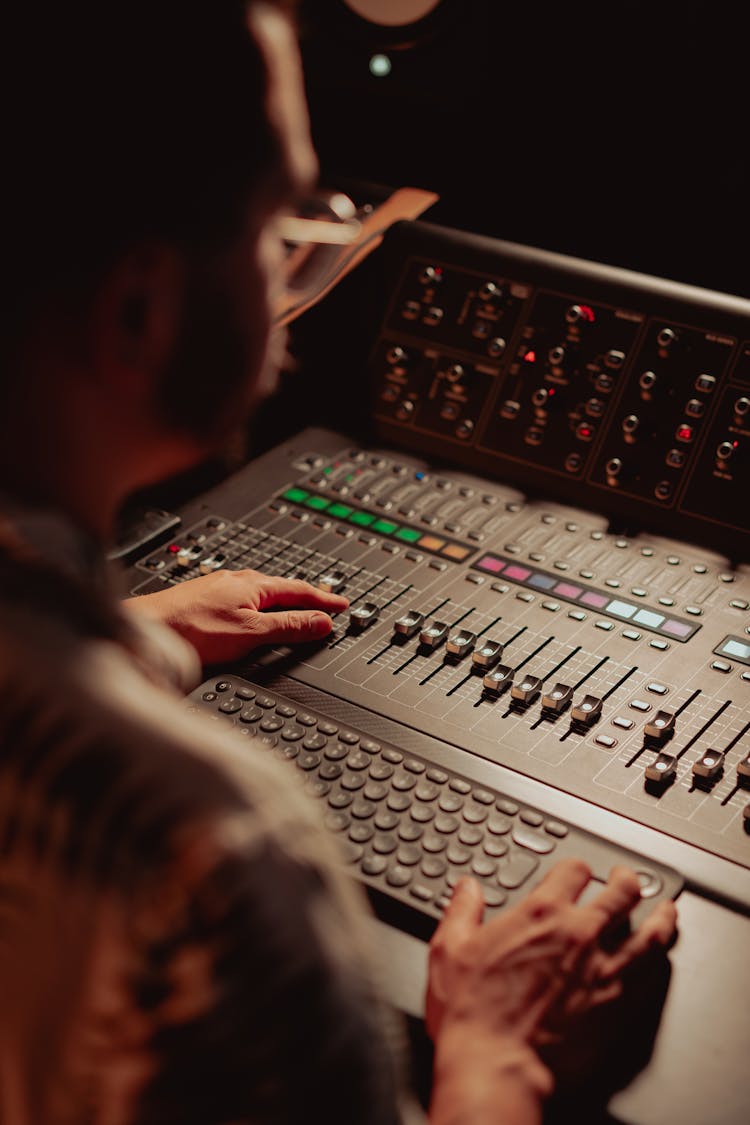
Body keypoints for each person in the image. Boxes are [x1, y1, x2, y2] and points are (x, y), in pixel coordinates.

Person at [0, 2, 677, 1123]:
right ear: (136, 313)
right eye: (279, 220)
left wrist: (131, 641)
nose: (299, 259)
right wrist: (494, 1061)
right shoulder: (209, 858)